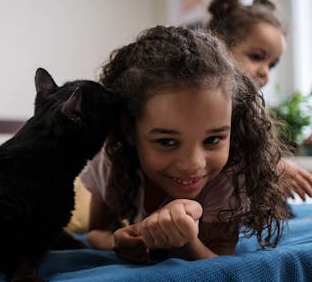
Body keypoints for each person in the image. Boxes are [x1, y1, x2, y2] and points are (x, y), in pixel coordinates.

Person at [80, 25, 290, 263]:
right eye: (167, 141)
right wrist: (118, 241)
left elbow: (220, 264)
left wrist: (185, 243)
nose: (193, 164)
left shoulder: (231, 170)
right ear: (129, 131)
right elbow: (96, 232)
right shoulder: (111, 160)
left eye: (213, 140)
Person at [206, 0, 312, 201]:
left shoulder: (249, 108)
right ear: (221, 46)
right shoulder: (205, 103)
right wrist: (270, 166)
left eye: (272, 64)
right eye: (256, 57)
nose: (265, 72)